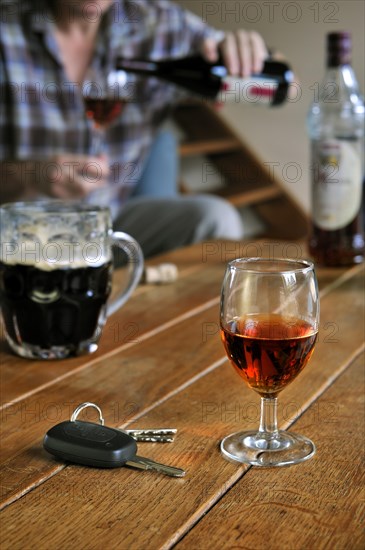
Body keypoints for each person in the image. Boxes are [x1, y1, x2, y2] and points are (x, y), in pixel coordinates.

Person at [0, 0, 268, 259]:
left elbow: (287, 85)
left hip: (111, 225)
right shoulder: (7, 25)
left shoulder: (159, 23)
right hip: (18, 235)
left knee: (216, 218)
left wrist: (248, 53)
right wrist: (30, 177)